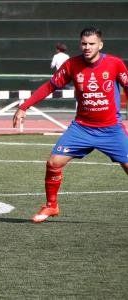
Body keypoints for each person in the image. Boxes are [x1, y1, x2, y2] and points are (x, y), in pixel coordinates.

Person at [13, 27, 128, 223]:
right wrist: (24, 107)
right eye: (84, 43)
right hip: (81, 128)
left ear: (100, 45)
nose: (87, 47)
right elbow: (50, 86)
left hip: (111, 130)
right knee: (53, 163)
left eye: (91, 44)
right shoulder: (72, 64)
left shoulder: (115, 64)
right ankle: (51, 206)